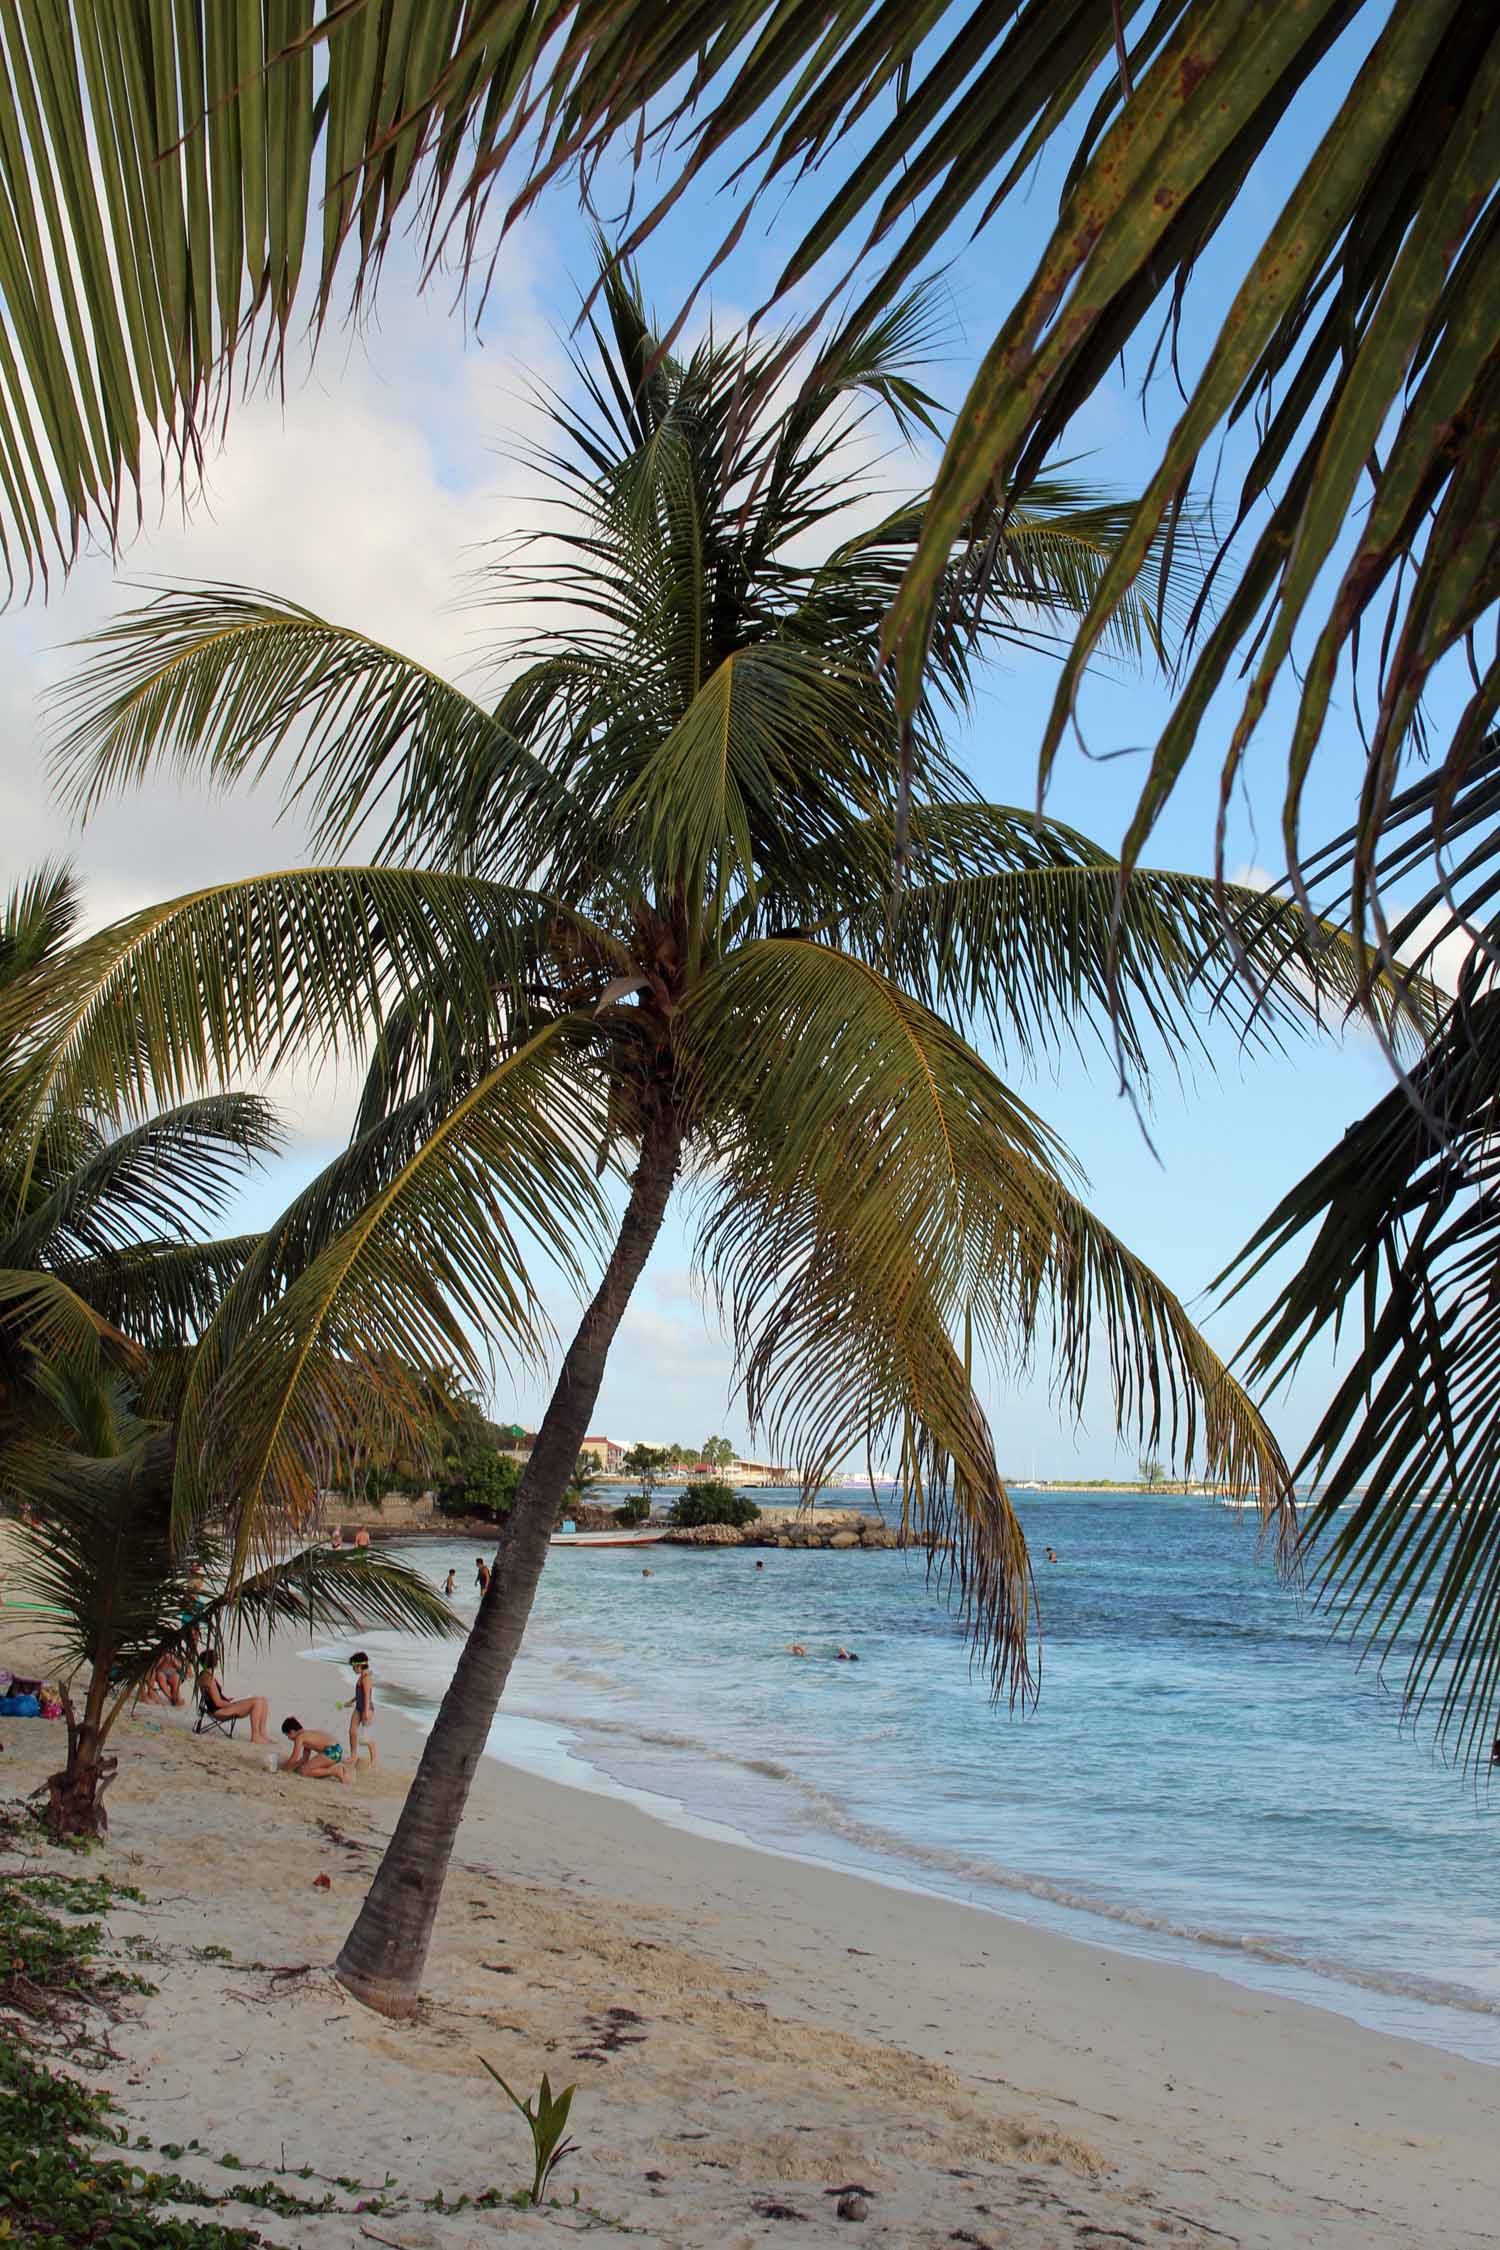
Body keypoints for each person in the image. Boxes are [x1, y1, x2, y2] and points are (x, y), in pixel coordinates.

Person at [197, 1650, 273, 1745]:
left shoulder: (203, 1675)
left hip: (219, 1708)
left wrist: (227, 1700)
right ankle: (255, 1736)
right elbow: (218, 1703)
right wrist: (232, 1704)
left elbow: (214, 1698)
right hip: (219, 1711)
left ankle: (262, 1733)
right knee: (257, 1701)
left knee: (263, 1700)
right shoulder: (209, 1679)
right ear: (214, 1663)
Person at [280, 1716, 350, 1784]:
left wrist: (283, 1769)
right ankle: (335, 1771)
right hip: (337, 1750)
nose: (288, 1738)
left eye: (287, 1735)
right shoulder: (306, 1735)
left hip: (332, 1751)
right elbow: (305, 1759)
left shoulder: (300, 1737)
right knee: (304, 1770)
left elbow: (293, 1758)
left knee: (304, 1771)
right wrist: (294, 1767)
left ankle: (335, 1771)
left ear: (292, 1732)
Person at [346, 1652, 377, 1770]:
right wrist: (351, 1701)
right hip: (359, 1707)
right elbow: (359, 1694)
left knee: (367, 1737)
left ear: (359, 1666)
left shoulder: (366, 1678)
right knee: (352, 1731)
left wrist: (366, 1711)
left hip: (366, 1708)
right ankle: (353, 1755)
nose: (353, 1670)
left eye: (354, 1667)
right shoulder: (361, 1677)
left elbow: (367, 1696)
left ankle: (373, 1761)